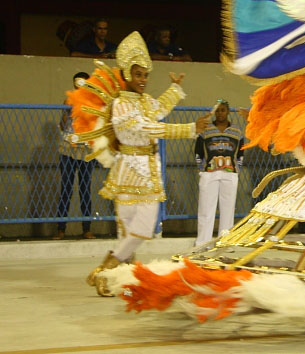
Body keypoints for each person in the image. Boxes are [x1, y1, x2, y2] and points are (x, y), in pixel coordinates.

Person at [67, 31, 209, 296]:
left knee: (140, 230)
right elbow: (147, 127)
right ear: (127, 75)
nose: (143, 80)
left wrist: (175, 89)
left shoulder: (144, 101)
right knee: (133, 231)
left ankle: (108, 275)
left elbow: (160, 108)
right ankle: (108, 274)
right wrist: (189, 129)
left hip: (147, 171)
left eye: (146, 75)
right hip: (129, 170)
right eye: (139, 75)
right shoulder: (121, 104)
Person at [194, 100, 244, 246]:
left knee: (228, 210)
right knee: (206, 209)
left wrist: (237, 169)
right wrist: (201, 168)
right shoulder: (206, 130)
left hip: (230, 173)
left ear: (228, 112)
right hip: (209, 173)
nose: (220, 113)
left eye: (223, 110)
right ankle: (202, 244)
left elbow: (241, 153)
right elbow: (197, 151)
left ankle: (225, 244)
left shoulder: (237, 131)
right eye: (218, 110)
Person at [53, 72, 96, 240]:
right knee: (66, 189)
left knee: (85, 190)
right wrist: (66, 111)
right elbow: (64, 127)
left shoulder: (94, 103)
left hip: (86, 150)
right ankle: (61, 229)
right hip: (68, 149)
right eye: (77, 84)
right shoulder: (68, 101)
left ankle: (87, 228)